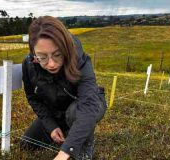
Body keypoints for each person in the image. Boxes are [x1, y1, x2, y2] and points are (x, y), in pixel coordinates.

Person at [20, 16, 107, 160]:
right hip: (58, 112)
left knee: (74, 113)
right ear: (33, 54)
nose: (52, 64)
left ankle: (84, 148)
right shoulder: (28, 64)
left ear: (65, 49)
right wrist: (51, 126)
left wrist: (65, 153)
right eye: (42, 57)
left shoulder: (79, 60)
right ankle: (69, 131)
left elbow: (88, 105)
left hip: (90, 104)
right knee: (26, 144)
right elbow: (32, 97)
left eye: (57, 55)